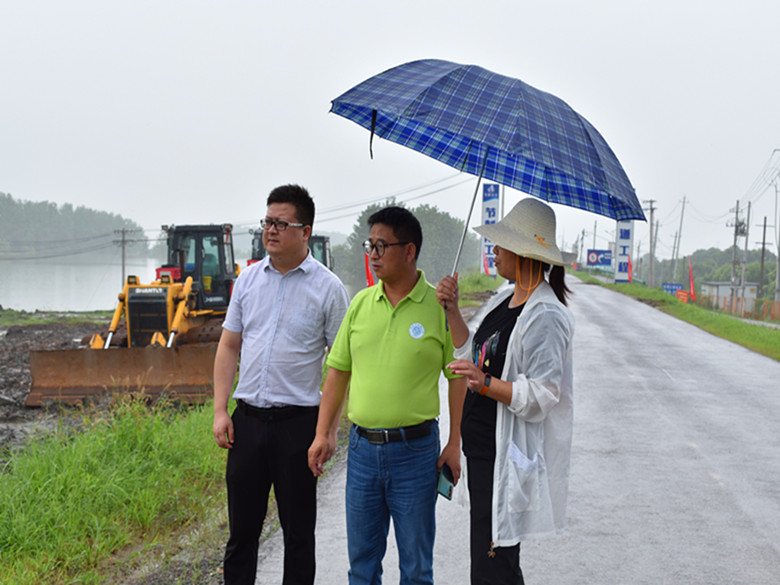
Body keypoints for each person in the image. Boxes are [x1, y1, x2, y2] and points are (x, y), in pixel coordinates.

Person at [308, 206, 467, 585]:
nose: (373, 254)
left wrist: (454, 442)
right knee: (362, 566)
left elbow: (460, 372)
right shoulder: (361, 304)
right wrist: (321, 432)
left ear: (409, 251)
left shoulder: (439, 306)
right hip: (362, 452)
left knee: (415, 566)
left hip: (415, 453)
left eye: (381, 246)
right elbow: (338, 371)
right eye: (370, 245)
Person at [212, 184, 349, 585]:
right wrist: (221, 411)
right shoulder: (249, 280)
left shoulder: (329, 289)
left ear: (304, 231)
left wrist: (328, 431)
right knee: (241, 535)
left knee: (298, 535)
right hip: (247, 424)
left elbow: (340, 367)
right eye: (267, 222)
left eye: (280, 223)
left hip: (298, 428)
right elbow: (228, 346)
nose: (270, 230)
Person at [436, 197, 575, 585]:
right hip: (484, 455)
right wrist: (452, 311)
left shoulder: (544, 315)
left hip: (506, 458)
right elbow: (473, 354)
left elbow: (544, 395)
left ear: (525, 253)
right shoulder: (506, 300)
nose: (493, 250)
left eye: (501, 244)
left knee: (494, 566)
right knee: (489, 563)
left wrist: (486, 384)